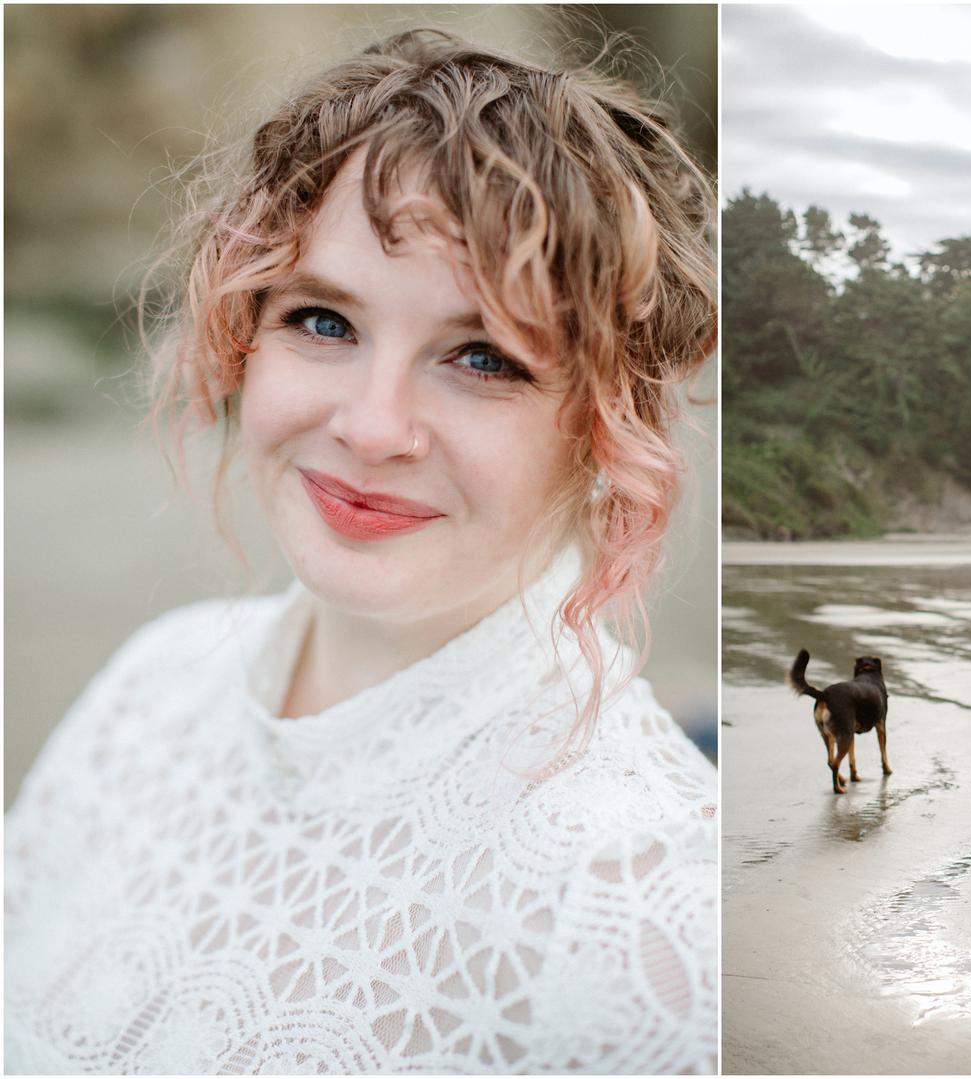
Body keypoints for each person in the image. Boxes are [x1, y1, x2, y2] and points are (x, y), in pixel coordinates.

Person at [5, 29, 717, 1074]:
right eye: (324, 320)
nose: (373, 425)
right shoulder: (150, 686)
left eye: (483, 356)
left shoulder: (642, 908)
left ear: (609, 426)